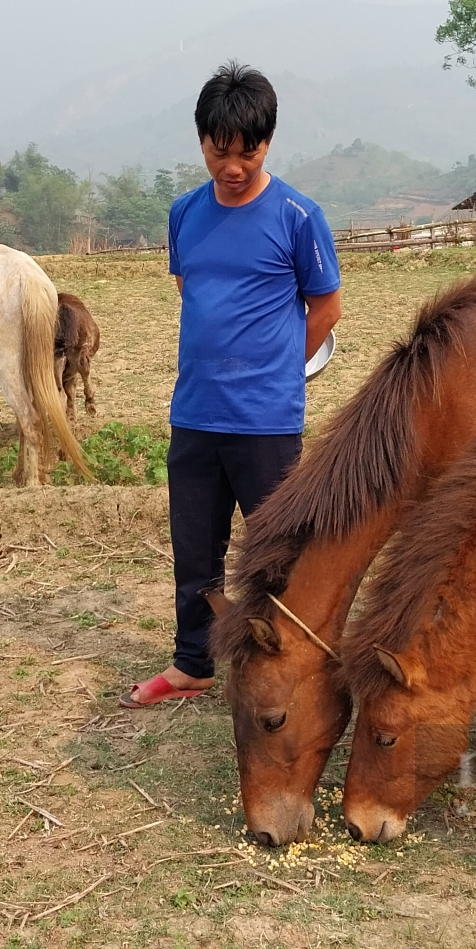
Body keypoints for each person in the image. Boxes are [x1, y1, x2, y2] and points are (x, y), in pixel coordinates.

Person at [120, 62, 343, 708]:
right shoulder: (184, 214)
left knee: (278, 556)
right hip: (195, 412)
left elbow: (325, 308)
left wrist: (278, 371)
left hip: (267, 421)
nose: (234, 166)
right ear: (202, 142)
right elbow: (192, 291)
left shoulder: (300, 216)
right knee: (196, 550)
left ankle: (290, 664)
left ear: (267, 143)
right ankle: (194, 663)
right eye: (222, 152)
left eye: (249, 151)